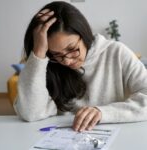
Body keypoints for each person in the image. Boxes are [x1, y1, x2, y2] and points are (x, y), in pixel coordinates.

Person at [14, 1, 147, 132]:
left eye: (71, 49)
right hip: (61, 139)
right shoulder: (47, 63)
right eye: (56, 54)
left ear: (83, 34)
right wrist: (39, 53)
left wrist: (103, 113)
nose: (66, 61)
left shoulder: (117, 53)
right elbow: (30, 113)